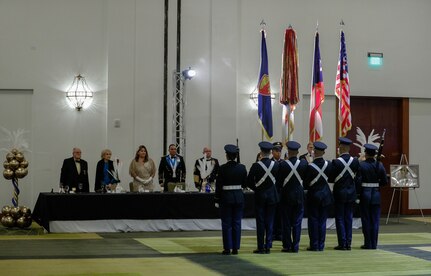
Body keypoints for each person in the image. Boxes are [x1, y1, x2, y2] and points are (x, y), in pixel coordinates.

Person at [214, 144, 247, 255]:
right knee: (237, 223)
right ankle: (235, 248)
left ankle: (227, 248)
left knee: (227, 223)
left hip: (226, 198)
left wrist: (217, 199)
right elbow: (244, 183)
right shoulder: (242, 168)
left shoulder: (222, 168)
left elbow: (218, 186)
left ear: (227, 156)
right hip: (238, 197)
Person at [247, 141, 279, 254]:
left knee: (260, 222)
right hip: (272, 196)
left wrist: (257, 189)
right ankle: (268, 245)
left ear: (261, 151)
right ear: (270, 152)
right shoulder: (276, 165)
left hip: (260, 196)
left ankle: (260, 246)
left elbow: (249, 182)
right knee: (270, 222)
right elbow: (278, 181)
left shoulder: (256, 166)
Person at [277, 141, 307, 253]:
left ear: (288, 152)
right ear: (298, 152)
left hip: (286, 196)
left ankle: (287, 245)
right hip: (299, 195)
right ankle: (296, 245)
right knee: (297, 222)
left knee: (286, 222)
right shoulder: (304, 164)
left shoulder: (283, 165)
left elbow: (279, 182)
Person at [356, 143, 388, 249]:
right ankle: (374, 243)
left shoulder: (361, 165)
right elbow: (384, 182)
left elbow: (358, 181)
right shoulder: (380, 165)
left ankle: (368, 243)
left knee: (366, 219)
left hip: (365, 194)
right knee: (375, 220)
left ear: (365, 153)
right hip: (375, 194)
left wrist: (358, 194)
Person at [303, 141, 333, 251]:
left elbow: (305, 184)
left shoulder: (310, 167)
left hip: (313, 196)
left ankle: (314, 245)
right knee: (322, 221)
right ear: (324, 152)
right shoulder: (329, 165)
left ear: (314, 152)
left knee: (313, 221)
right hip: (325, 195)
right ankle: (321, 244)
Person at [331, 137, 360, 250]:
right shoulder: (355, 161)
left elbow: (332, 178)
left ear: (341, 148)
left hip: (339, 193)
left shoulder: (336, 162)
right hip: (351, 193)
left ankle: (342, 243)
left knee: (340, 218)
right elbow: (357, 177)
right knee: (349, 218)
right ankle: (348, 242)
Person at [271, 141, 283, 241]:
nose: (279, 153)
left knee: (280, 214)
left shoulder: (283, 163)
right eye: (277, 151)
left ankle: (279, 233)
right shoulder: (269, 162)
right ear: (272, 152)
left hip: (281, 192)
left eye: (280, 151)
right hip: (272, 191)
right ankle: (272, 233)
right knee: (272, 214)